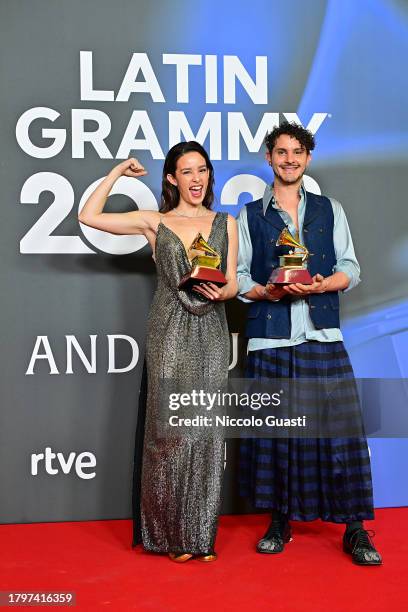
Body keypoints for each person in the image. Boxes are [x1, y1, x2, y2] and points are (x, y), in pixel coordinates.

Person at [79, 141, 238, 562]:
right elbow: (88, 216)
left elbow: (235, 280)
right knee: (170, 433)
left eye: (202, 170)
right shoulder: (155, 222)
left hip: (211, 331)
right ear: (172, 178)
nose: (197, 179)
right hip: (168, 330)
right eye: (187, 171)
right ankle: (167, 535)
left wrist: (224, 290)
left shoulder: (226, 222)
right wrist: (116, 173)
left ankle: (200, 535)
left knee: (204, 432)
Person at [236, 122, 382, 565]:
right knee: (279, 434)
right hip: (271, 338)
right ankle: (280, 521)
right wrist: (268, 291)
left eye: (297, 152)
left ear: (308, 158)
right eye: (281, 152)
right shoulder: (249, 215)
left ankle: (355, 529)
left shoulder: (329, 209)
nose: (289, 159)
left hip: (321, 332)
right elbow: (240, 279)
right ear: (269, 158)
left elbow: (351, 269)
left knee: (341, 431)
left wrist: (322, 285)